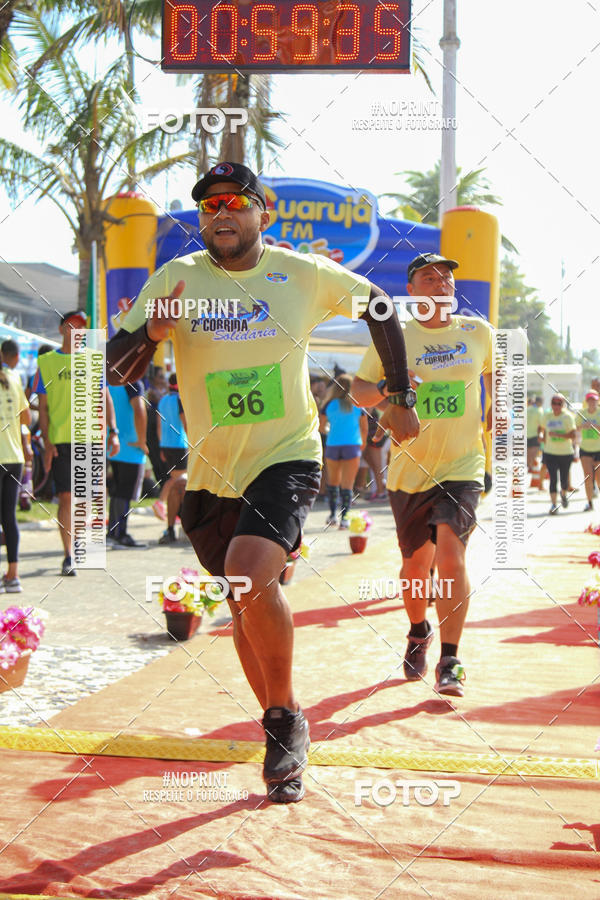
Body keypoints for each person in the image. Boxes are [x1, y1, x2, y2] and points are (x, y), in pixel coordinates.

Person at [106, 161, 419, 803]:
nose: (222, 214)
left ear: (262, 214)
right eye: (210, 207)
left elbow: (382, 305)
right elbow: (114, 367)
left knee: (251, 573)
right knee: (242, 605)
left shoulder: (300, 274)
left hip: (287, 454)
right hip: (212, 471)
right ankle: (281, 725)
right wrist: (152, 331)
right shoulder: (178, 278)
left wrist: (401, 390)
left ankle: (284, 721)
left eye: (235, 203)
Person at [352, 252, 493, 698]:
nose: (441, 283)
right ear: (412, 290)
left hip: (463, 465)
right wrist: (387, 388)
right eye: (429, 278)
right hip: (410, 472)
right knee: (416, 566)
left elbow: (502, 372)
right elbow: (357, 392)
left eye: (447, 277)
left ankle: (450, 660)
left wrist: (502, 412)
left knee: (452, 550)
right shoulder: (394, 337)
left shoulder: (478, 332)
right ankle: (418, 631)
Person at [33, 310, 120, 575]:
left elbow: (106, 396)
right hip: (61, 440)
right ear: (62, 330)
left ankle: (79, 541)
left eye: (82, 328)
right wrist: (47, 442)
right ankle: (68, 554)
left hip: (91, 438)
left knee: (84, 497)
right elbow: (43, 409)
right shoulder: (46, 362)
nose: (77, 332)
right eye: (72, 326)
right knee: (66, 497)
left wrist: (113, 431)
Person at [319, 373, 367, 527]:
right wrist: (362, 443)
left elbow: (320, 426)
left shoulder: (329, 405)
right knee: (348, 485)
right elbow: (364, 428)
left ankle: (333, 515)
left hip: (333, 445)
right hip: (352, 445)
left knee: (333, 483)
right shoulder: (357, 404)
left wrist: (330, 431)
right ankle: (345, 519)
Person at [107, 379, 149, 548]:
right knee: (125, 493)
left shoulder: (110, 382)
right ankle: (120, 534)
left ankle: (112, 532)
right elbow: (139, 410)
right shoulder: (133, 383)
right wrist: (142, 440)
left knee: (117, 491)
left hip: (114, 446)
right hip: (131, 446)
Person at [0, 365, 31, 591]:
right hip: (14, 457)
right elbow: (26, 417)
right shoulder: (13, 376)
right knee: (9, 517)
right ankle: (13, 576)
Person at [540, 394, 576, 514]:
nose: (556, 406)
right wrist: (541, 437)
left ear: (563, 405)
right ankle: (554, 505)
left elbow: (573, 435)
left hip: (565, 453)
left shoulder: (568, 417)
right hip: (550, 452)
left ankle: (563, 494)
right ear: (551, 404)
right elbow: (541, 429)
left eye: (559, 403)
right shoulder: (547, 416)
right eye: (554, 403)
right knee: (553, 479)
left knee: (564, 479)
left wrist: (558, 435)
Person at [577, 391, 600, 511]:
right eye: (590, 400)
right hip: (585, 449)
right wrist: (582, 426)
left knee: (598, 478)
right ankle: (589, 503)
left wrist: (594, 426)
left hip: (598, 449)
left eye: (594, 400)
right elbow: (575, 428)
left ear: (597, 400)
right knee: (588, 477)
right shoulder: (582, 413)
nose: (592, 402)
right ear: (587, 401)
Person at [527, 396, 544, 472]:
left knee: (528, 451)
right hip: (535, 433)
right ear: (539, 402)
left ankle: (529, 466)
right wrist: (541, 433)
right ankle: (531, 465)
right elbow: (542, 424)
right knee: (535, 451)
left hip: (527, 433)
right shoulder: (539, 410)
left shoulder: (528, 409)